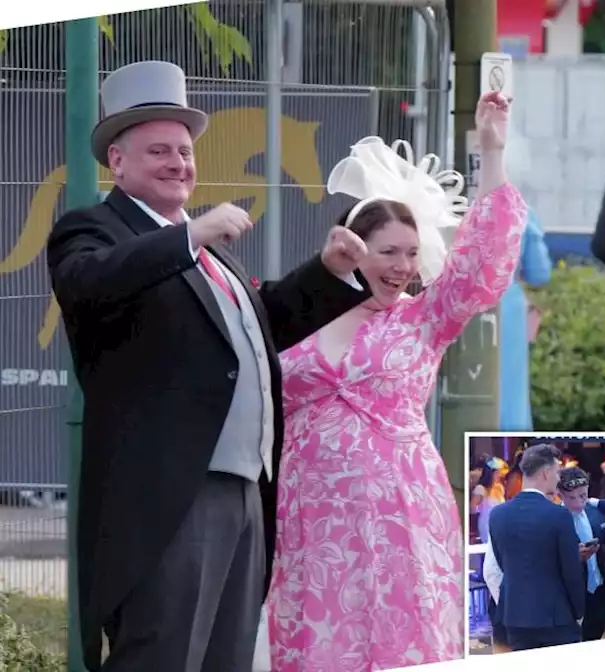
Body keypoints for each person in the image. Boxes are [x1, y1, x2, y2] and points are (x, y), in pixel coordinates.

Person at [47, 60, 372, 672]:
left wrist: (327, 273)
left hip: (244, 487)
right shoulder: (95, 231)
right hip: (171, 493)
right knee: (164, 652)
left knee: (228, 656)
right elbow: (88, 283)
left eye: (185, 151)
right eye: (159, 151)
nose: (179, 163)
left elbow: (262, 325)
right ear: (117, 161)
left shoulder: (207, 253)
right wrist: (189, 237)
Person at [265, 90, 524, 670]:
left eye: (412, 253)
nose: (404, 266)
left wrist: (493, 149)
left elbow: (481, 265)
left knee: (403, 639)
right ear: (352, 249)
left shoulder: (422, 319)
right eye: (388, 252)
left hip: (403, 512)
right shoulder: (298, 310)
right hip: (310, 514)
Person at [487, 444, 585, 650]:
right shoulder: (559, 515)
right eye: (557, 472)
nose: (559, 479)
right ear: (546, 473)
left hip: (514, 617)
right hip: (556, 618)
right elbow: (571, 571)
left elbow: (502, 564)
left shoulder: (497, 515)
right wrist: (579, 612)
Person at [556, 467, 605, 640]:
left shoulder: (594, 512)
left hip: (601, 591)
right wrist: (574, 559)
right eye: (571, 498)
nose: (578, 503)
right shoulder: (555, 520)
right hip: (573, 597)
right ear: (560, 495)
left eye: (582, 496)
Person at [497, 207, 553, 431]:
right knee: (510, 393)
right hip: (508, 309)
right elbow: (540, 273)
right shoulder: (521, 211)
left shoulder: (446, 204)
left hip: (460, 306)